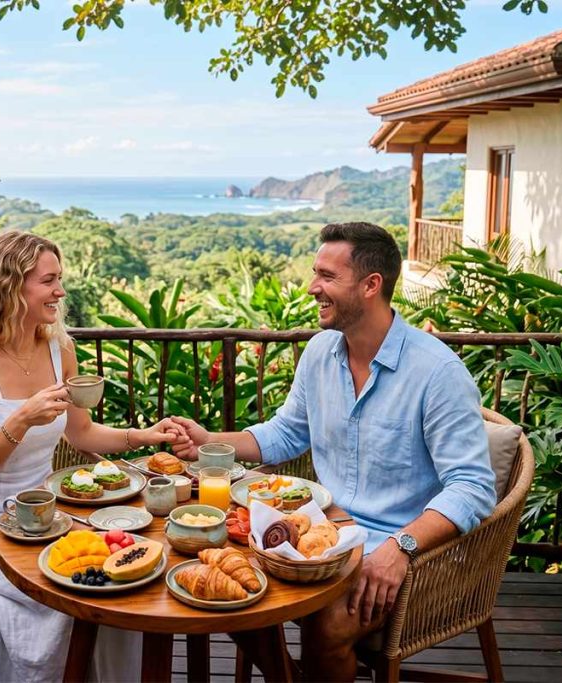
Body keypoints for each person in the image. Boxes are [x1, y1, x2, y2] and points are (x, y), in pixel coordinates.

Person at [170, 222, 496, 681]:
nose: (312, 287)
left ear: (370, 286)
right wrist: (210, 442)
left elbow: (473, 487)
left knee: (327, 625)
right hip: (323, 537)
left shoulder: (438, 372)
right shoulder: (321, 353)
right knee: (229, 589)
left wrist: (399, 549)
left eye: (327, 276)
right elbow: (285, 433)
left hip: (410, 550)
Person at [0, 230, 184, 682]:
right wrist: (20, 420)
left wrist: (145, 435)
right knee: (79, 590)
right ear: (10, 286)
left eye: (59, 279)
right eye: (49, 281)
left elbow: (83, 432)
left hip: (46, 520)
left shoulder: (58, 349)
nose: (60, 291)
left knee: (124, 578)